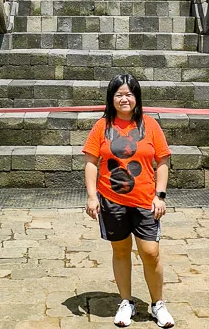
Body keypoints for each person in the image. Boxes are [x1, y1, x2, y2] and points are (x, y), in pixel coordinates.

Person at [83, 74, 174, 328]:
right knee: (120, 250)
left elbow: (163, 161)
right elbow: (91, 162)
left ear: (137, 97)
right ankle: (126, 301)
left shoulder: (150, 125)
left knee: (150, 252)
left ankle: (158, 304)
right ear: (111, 98)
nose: (124, 99)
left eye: (129, 94)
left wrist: (160, 195)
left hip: (146, 200)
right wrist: (92, 196)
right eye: (119, 94)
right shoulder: (102, 126)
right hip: (112, 199)